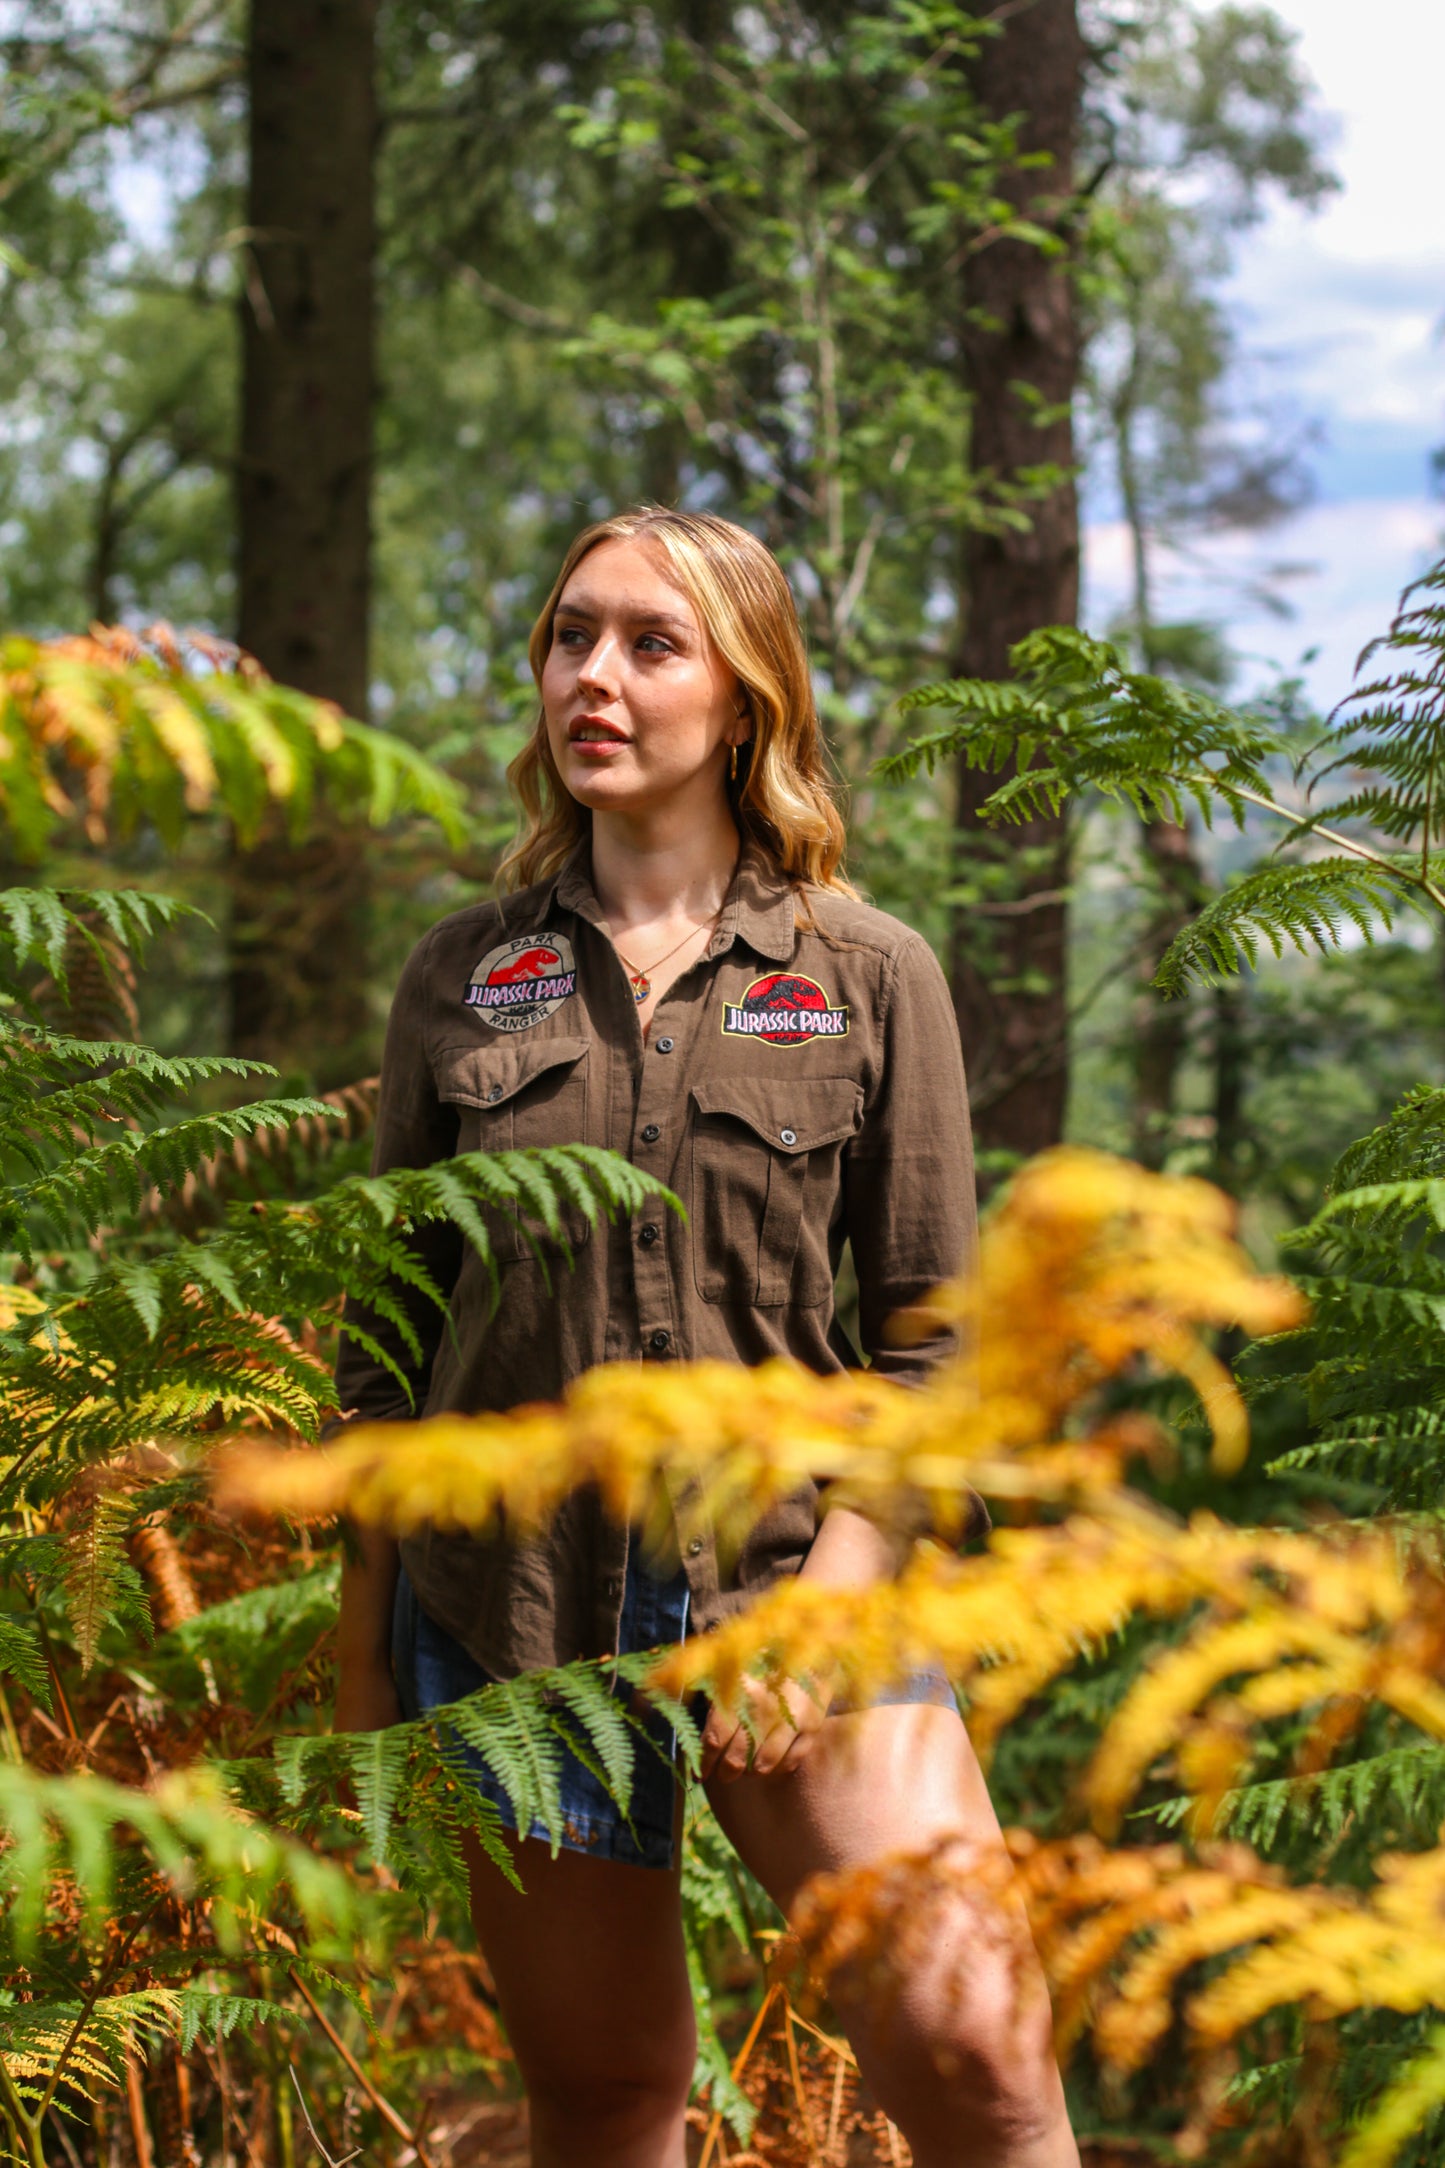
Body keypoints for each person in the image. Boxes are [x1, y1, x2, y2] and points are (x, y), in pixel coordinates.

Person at [333, 506, 1079, 2168]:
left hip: (791, 1573)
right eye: (568, 636)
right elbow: (389, 1328)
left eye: (650, 644)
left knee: (981, 2064)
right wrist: (369, 1636)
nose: (592, 676)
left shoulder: (868, 971)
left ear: (744, 699)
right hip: (512, 1602)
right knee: (602, 2096)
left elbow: (932, 1345)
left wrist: (825, 1616)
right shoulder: (463, 975)